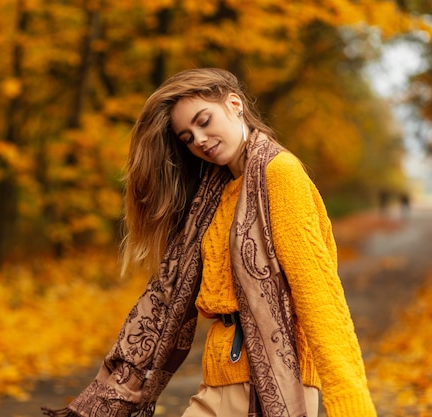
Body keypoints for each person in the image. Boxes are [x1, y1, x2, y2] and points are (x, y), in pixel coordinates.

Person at [43, 68, 377, 417]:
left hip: (274, 384)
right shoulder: (213, 192)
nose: (199, 140)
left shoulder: (279, 174)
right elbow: (168, 296)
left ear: (234, 104)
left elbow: (319, 294)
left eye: (204, 121)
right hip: (220, 382)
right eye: (187, 137)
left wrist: (351, 405)